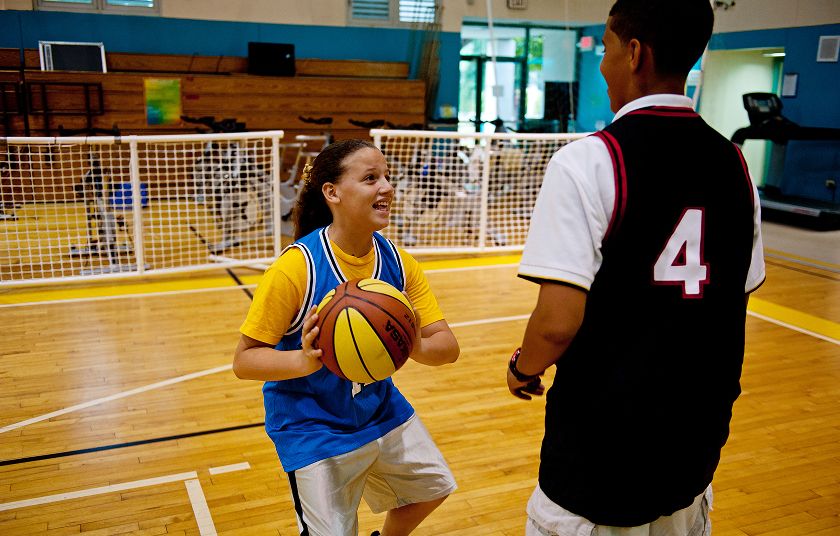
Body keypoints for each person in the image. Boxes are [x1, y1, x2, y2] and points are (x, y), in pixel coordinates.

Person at [507, 0, 766, 534]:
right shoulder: (736, 163)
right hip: (692, 446)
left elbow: (556, 324)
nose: (602, 63)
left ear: (634, 53)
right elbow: (736, 297)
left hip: (598, 455)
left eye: (605, 48)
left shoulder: (586, 160)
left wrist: (522, 368)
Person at [233, 139, 459, 536]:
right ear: (332, 192)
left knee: (433, 487)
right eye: (371, 178)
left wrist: (413, 343)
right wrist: (303, 360)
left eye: (387, 176)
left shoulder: (398, 262)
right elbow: (244, 361)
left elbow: (448, 347)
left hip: (380, 410)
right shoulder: (296, 268)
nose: (387, 187)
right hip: (312, 425)